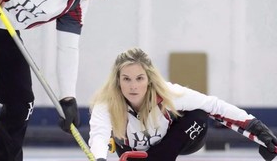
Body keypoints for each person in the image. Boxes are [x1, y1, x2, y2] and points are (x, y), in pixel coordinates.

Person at [0, 0, 128, 160]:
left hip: (1, 27)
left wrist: (68, 98)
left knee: (21, 101)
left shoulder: (78, 2)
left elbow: (68, 47)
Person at [89, 47, 277, 161]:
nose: (133, 86)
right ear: (117, 80)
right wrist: (99, 158)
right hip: (132, 153)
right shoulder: (106, 101)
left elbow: (215, 107)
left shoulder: (168, 93)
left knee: (199, 114)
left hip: (175, 144)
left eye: (139, 78)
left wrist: (258, 130)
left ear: (149, 79)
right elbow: (99, 134)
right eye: (126, 79)